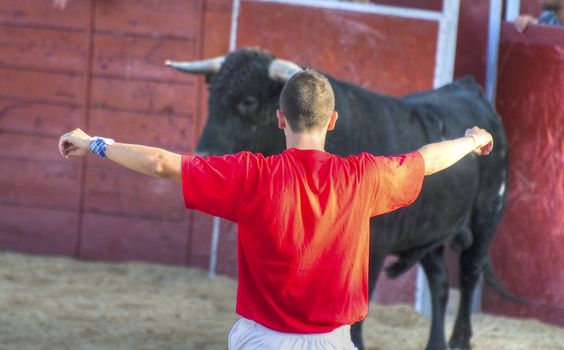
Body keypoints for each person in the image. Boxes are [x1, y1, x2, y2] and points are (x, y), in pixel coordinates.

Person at [59, 69, 493, 350]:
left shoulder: (251, 176)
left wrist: (96, 143)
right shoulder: (362, 177)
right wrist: (473, 140)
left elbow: (161, 163)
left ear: (280, 119)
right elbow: (427, 159)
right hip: (333, 343)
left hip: (259, 341)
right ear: (333, 122)